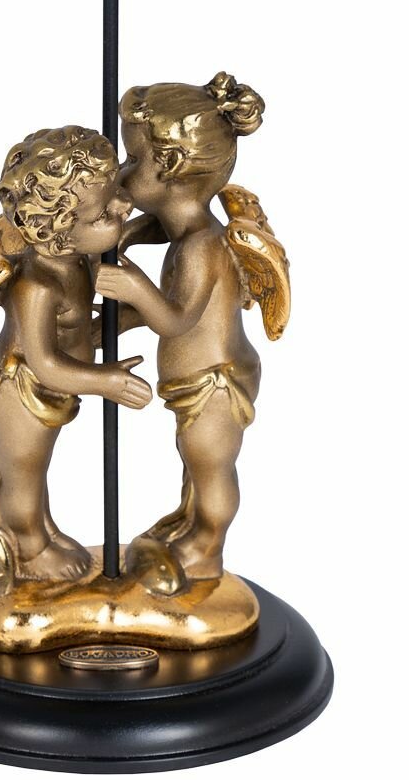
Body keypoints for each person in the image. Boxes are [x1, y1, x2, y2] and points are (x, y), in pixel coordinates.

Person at [96, 73, 286, 594]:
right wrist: (109, 324)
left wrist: (133, 287)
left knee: (209, 464)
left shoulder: (201, 246)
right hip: (194, 378)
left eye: (133, 159)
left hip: (215, 382)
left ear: (170, 166)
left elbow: (175, 319)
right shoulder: (182, 236)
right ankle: (190, 524)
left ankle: (207, 547)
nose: (122, 172)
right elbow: (166, 313)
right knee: (194, 457)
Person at [0, 125, 150, 599]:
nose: (124, 205)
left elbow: (77, 331)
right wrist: (106, 382)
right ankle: (28, 549)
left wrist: (131, 318)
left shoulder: (76, 260)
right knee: (24, 477)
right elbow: (44, 362)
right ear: (56, 236)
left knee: (34, 476)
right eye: (105, 213)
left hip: (49, 396)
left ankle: (41, 533)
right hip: (23, 395)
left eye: (117, 193)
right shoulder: (37, 286)